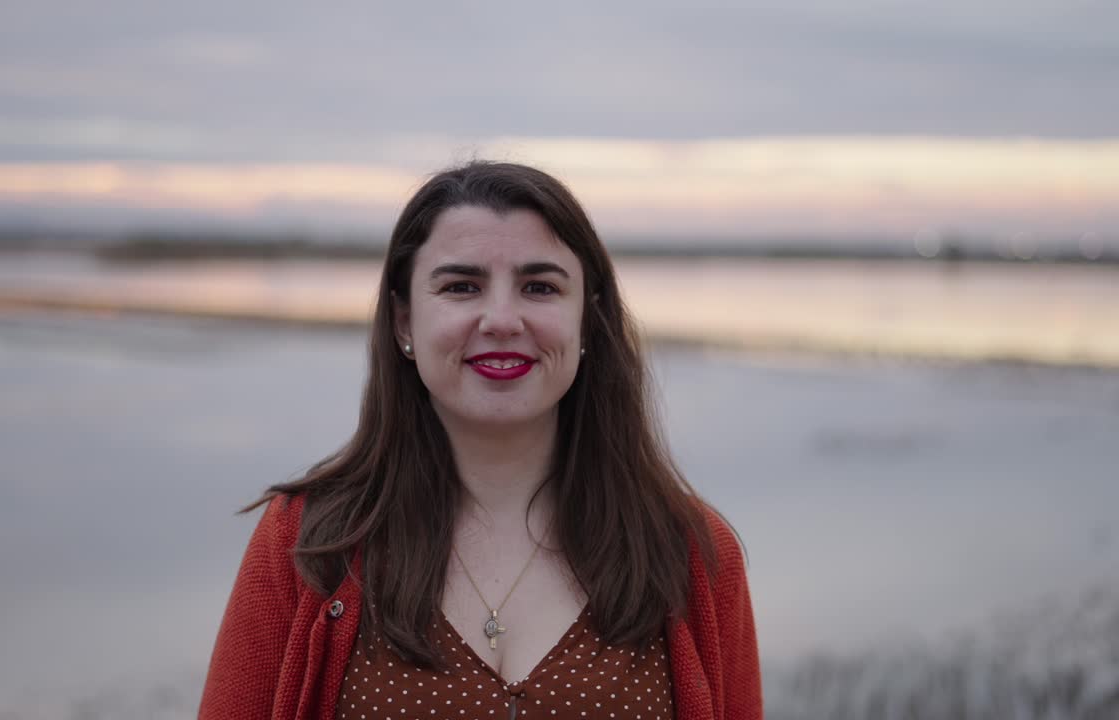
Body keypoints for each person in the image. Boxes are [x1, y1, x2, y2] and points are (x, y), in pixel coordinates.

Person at [198, 161, 761, 720]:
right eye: (462, 286)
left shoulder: (692, 555)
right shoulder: (306, 541)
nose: (501, 319)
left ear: (587, 321)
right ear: (403, 323)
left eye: (539, 287)